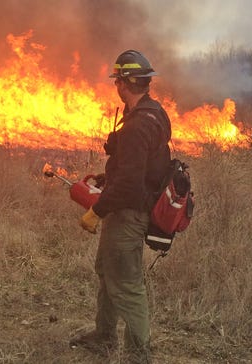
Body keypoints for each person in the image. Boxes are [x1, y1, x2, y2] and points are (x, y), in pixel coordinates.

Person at [71, 50, 172, 363]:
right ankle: (104, 335)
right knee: (107, 270)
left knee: (126, 283)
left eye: (117, 80)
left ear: (125, 83)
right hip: (133, 206)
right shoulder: (155, 113)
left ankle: (139, 354)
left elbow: (129, 184)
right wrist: (107, 176)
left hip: (128, 215)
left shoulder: (136, 126)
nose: (115, 84)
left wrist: (96, 211)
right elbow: (144, 167)